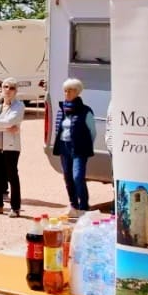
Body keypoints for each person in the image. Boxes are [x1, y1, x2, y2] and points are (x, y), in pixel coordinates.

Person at [53, 79, 96, 216]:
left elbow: (92, 131)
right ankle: (73, 205)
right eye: (65, 90)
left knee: (78, 176)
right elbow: (57, 128)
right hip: (64, 147)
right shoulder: (62, 109)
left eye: (70, 90)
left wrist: (85, 144)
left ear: (77, 92)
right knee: (67, 177)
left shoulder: (86, 110)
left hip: (79, 148)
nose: (67, 93)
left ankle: (83, 206)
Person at [0, 78, 26, 217]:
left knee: (12, 176)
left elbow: (10, 121)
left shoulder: (19, 106)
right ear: (1, 89)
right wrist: (6, 127)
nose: (8, 90)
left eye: (12, 88)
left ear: (16, 91)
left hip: (11, 148)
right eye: (5, 87)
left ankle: (15, 208)